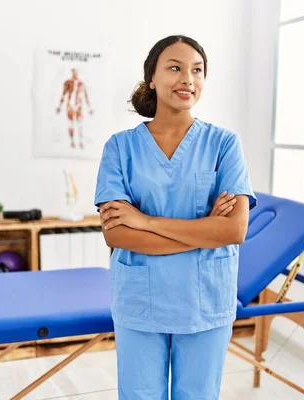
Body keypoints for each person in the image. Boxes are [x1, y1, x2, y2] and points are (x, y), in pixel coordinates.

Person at [94, 35, 257, 399]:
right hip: (140, 303)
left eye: (197, 70)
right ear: (151, 77)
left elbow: (234, 229)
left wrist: (146, 221)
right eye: (175, 68)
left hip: (205, 304)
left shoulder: (224, 144)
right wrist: (203, 230)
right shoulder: (120, 147)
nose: (188, 79)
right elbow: (118, 235)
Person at [56, 67, 93, 149]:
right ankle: (72, 141)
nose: (75, 73)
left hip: (78, 105)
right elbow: (63, 94)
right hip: (70, 105)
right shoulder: (68, 82)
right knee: (71, 123)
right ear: (72, 72)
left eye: (76, 72)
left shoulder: (81, 83)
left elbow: (85, 95)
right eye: (74, 72)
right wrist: (59, 106)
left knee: (79, 124)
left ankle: (80, 141)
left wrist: (89, 108)